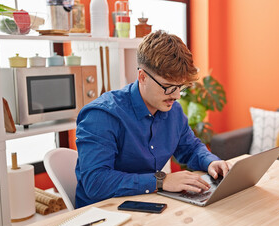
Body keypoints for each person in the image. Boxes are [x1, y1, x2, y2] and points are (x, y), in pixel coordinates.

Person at [74, 30, 230, 208]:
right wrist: (160, 181)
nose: (177, 95)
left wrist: (211, 162)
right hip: (102, 214)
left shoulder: (174, 111)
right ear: (142, 77)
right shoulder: (101, 115)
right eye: (169, 87)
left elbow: (191, 148)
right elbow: (96, 182)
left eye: (181, 87)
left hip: (148, 205)